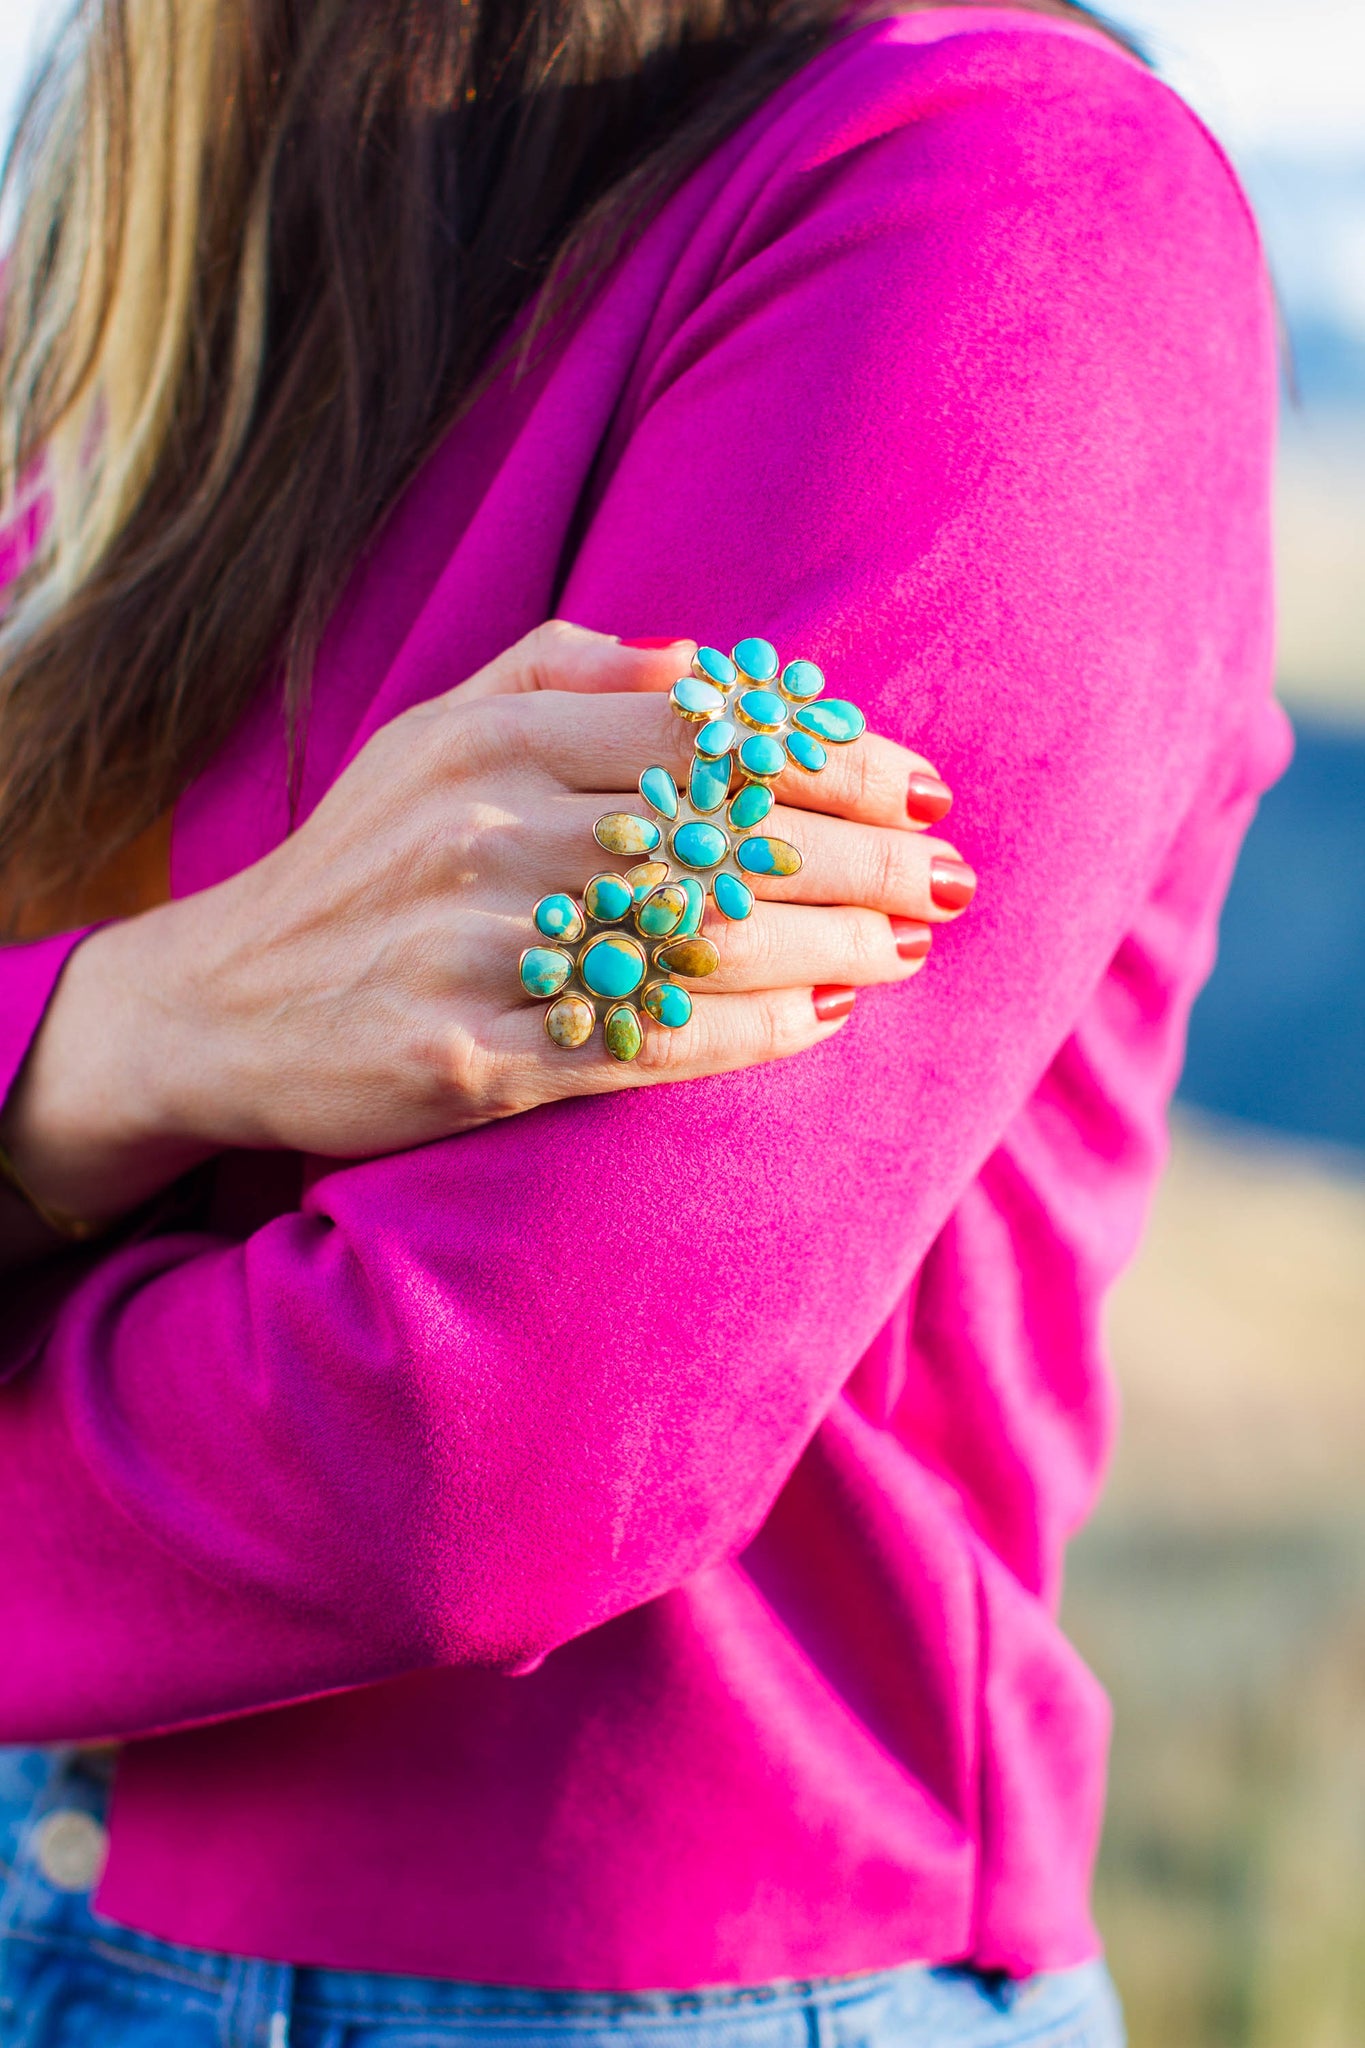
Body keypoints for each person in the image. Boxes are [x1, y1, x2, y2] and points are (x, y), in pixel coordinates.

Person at [0, 0, 1287, 2042]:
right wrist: (109, 1034)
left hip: (652, 1985)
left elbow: (491, 1438)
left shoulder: (986, 201)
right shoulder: (136, 221)